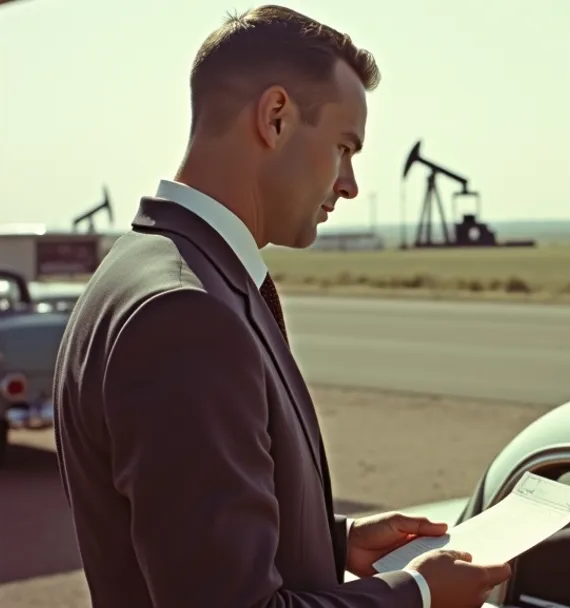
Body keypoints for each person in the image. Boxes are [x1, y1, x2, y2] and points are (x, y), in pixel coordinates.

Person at [52, 6, 510, 608]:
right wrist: (418, 594)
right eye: (345, 147)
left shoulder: (144, 263)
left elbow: (182, 535)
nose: (349, 184)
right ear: (275, 118)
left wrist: (329, 540)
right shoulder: (186, 315)